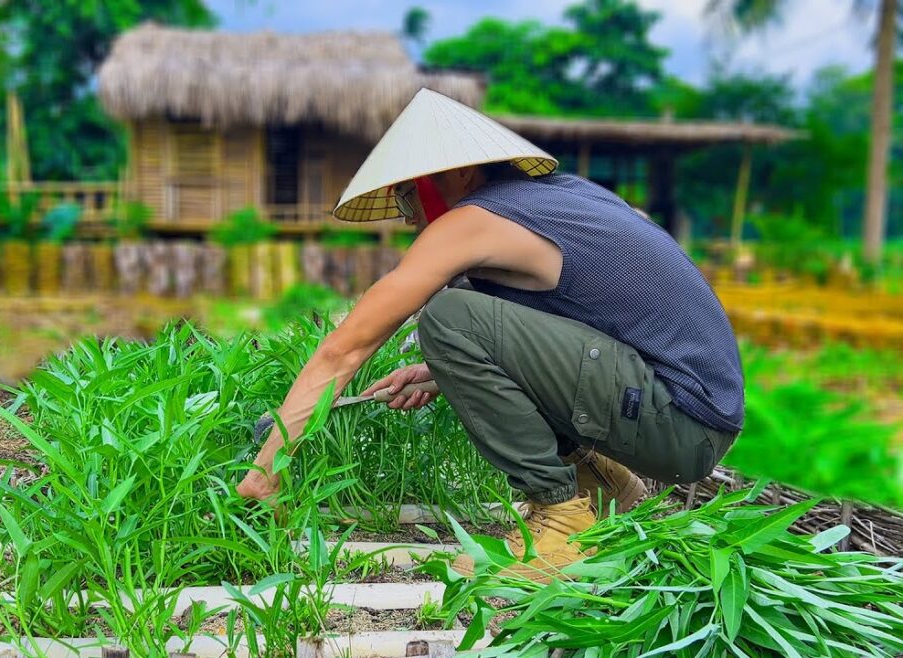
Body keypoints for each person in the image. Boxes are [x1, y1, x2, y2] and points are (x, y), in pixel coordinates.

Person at [236, 88, 744, 582]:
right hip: (691, 416)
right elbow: (591, 315)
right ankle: (604, 484)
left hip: (680, 420)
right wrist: (439, 372)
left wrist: (268, 465)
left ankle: (562, 519)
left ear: (458, 171)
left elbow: (344, 349)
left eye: (410, 192)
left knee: (448, 318)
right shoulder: (561, 199)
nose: (409, 213)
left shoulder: (476, 220)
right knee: (459, 326)